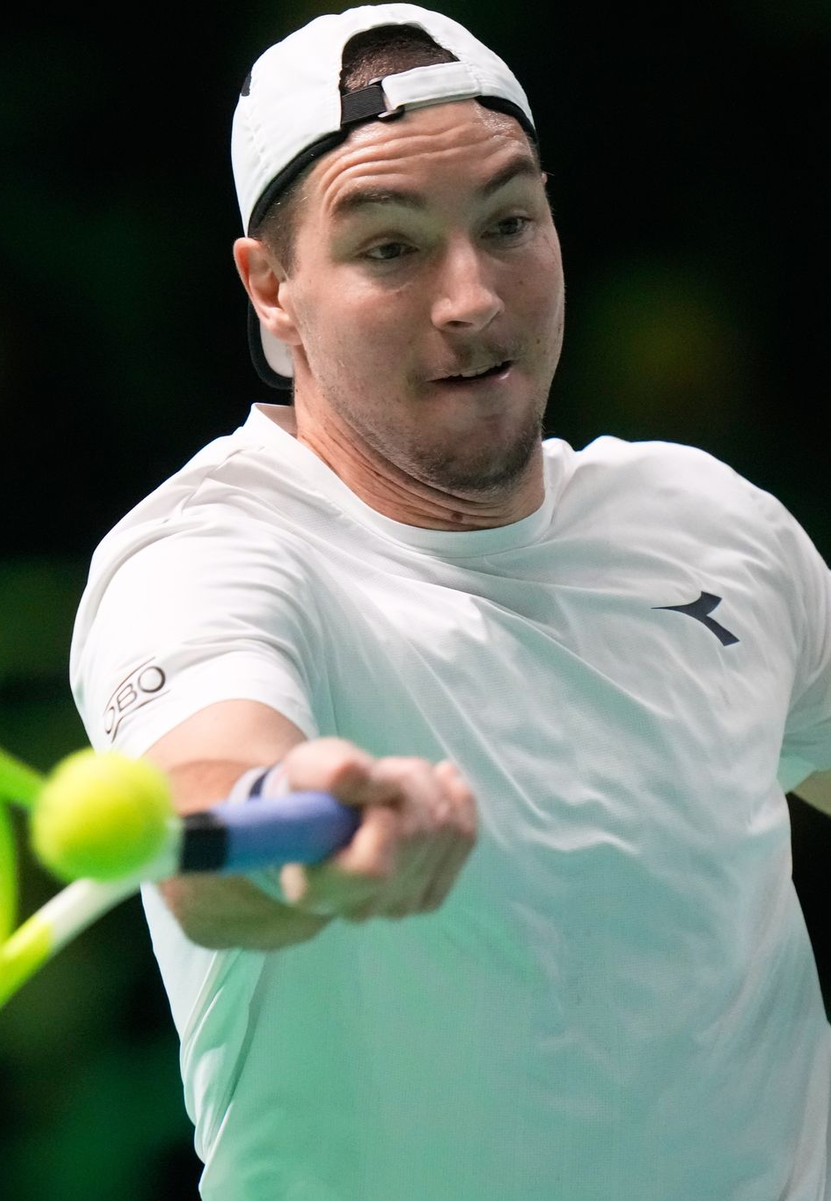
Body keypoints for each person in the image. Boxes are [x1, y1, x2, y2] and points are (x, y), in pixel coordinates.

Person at [69, 5, 831, 1198]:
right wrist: (299, 821)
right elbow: (203, 810)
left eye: (509, 222)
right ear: (272, 292)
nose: (472, 296)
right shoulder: (206, 551)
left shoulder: (712, 524)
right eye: (390, 248)